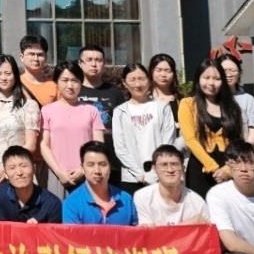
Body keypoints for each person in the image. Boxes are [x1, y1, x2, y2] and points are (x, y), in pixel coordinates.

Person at [37, 61, 104, 199]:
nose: (70, 85)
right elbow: (44, 145)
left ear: (81, 82)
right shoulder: (47, 110)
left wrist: (83, 169)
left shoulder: (92, 110)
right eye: (65, 80)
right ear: (56, 82)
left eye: (74, 81)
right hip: (56, 176)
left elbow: (99, 145)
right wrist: (59, 172)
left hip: (88, 175)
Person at [179, 58, 244, 197]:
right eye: (206, 77)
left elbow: (238, 142)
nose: (211, 83)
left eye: (217, 78)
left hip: (228, 170)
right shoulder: (187, 104)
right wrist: (212, 166)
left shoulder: (232, 107)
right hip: (200, 170)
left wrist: (227, 169)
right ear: (198, 79)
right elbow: (189, 139)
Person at [111, 62, 176, 191]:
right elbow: (120, 148)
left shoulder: (162, 107)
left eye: (141, 78)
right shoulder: (120, 112)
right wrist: (140, 174)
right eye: (132, 80)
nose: (138, 84)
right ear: (125, 83)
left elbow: (169, 143)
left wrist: (156, 171)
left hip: (161, 175)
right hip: (132, 178)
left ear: (149, 80)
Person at [0, 53, 40, 196]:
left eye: (8, 73)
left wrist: (6, 169)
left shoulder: (29, 105)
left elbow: (31, 145)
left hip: (21, 172)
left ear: (15, 75)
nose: (3, 78)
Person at [60, 141, 138, 225]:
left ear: (110, 167)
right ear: (82, 168)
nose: (97, 171)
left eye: (102, 164)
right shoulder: (72, 203)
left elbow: (136, 231)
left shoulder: (126, 200)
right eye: (90, 165)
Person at [134, 144, 210, 226]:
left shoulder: (197, 202)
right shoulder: (143, 197)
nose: (170, 170)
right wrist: (186, 225)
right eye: (164, 165)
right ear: (155, 169)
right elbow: (147, 233)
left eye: (174, 164)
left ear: (183, 168)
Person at [0, 146, 62, 224]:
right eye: (12, 168)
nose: (19, 172)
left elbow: (54, 231)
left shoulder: (52, 203)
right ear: (5, 174)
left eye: (23, 166)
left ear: (34, 169)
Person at [77, 44, 123, 142]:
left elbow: (124, 126)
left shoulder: (115, 92)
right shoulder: (73, 92)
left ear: (104, 63)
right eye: (89, 60)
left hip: (109, 149)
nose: (94, 64)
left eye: (98, 60)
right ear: (80, 63)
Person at [220, 57, 254, 143]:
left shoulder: (248, 100)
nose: (229, 74)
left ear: (240, 73)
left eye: (233, 70)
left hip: (240, 149)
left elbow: (252, 134)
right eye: (224, 70)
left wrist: (246, 150)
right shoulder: (210, 98)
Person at [148, 53, 184, 146]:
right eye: (159, 70)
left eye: (168, 71)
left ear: (174, 74)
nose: (163, 74)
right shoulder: (144, 100)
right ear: (151, 71)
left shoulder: (181, 101)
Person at [18, 35, 57, 107]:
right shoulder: (15, 84)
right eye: (31, 54)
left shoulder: (54, 86)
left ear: (46, 57)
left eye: (40, 55)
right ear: (22, 57)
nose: (36, 59)